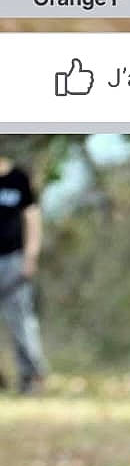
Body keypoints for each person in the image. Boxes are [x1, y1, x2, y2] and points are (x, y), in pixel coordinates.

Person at [0, 154, 47, 394]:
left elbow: (33, 218)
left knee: (20, 320)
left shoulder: (19, 179)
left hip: (13, 259)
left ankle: (32, 376)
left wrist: (30, 255)